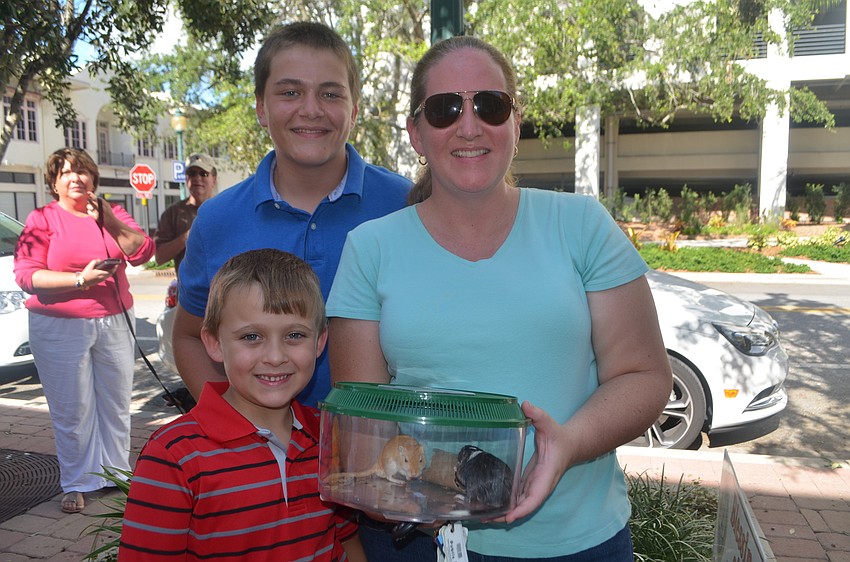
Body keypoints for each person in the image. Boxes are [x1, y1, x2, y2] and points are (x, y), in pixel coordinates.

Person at [326, 36, 673, 561]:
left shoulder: (582, 226)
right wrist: (396, 495)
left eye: (489, 104)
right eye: (445, 109)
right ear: (416, 134)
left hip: (577, 544)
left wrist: (568, 443)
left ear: (515, 119)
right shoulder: (369, 248)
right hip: (423, 545)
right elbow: (363, 421)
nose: (469, 126)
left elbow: (644, 376)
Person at [172, 21, 410, 408]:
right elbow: (188, 336)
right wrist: (233, 427)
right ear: (261, 109)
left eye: (331, 94)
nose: (311, 109)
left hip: (380, 454)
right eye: (290, 92)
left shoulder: (406, 205)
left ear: (355, 111)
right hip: (262, 462)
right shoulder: (216, 220)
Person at [119, 249, 366, 561]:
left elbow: (345, 539)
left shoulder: (329, 438)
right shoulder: (174, 456)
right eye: (251, 336)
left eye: (294, 335)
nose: (275, 357)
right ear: (213, 343)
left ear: (319, 342)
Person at [13, 147, 155, 514]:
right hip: (59, 324)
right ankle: (77, 481)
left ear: (94, 178)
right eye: (65, 173)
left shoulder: (111, 213)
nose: (76, 178)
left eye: (82, 171)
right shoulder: (42, 218)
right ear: (54, 183)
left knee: (115, 402)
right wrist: (80, 279)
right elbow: (27, 276)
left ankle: (115, 474)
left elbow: (142, 252)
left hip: (115, 318)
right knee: (72, 407)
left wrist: (110, 220)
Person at [153, 152, 217, 275]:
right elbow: (159, 257)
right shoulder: (173, 213)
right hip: (188, 292)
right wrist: (187, 236)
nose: (197, 178)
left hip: (222, 289)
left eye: (203, 173)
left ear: (214, 179)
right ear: (186, 178)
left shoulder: (224, 209)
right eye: (192, 173)